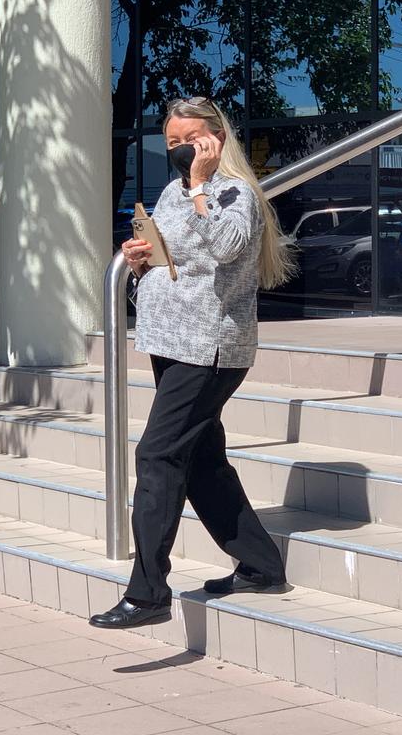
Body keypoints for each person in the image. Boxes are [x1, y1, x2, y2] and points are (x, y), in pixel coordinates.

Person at [89, 97, 296, 629]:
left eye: (191, 140)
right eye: (173, 142)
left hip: (211, 348)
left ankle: (149, 593)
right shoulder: (170, 193)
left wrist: (202, 184)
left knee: (158, 456)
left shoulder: (236, 194)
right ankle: (260, 564)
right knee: (201, 460)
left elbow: (228, 248)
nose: (181, 150)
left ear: (216, 139)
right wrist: (140, 263)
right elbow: (172, 262)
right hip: (170, 341)